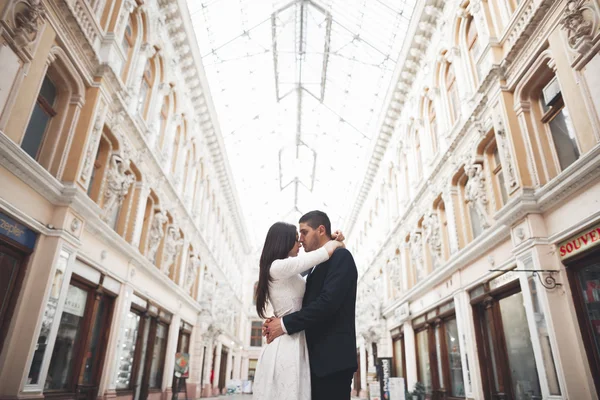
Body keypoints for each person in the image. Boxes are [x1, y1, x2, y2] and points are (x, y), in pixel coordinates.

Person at [262, 211, 358, 400]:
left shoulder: (342, 258)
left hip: (332, 363)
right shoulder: (315, 265)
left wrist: (283, 324)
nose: (301, 239)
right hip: (312, 361)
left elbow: (327, 304)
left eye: (304, 232)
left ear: (321, 230)